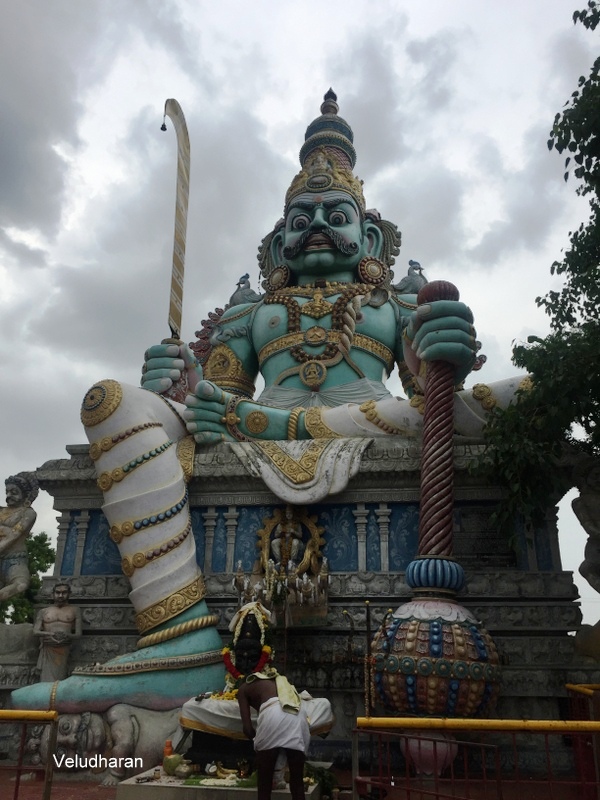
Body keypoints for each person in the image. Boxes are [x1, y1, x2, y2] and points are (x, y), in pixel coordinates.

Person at [0, 472, 38, 602]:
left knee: (21, 584)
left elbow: (15, 534)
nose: (9, 496)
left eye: (14, 492)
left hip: (15, 558)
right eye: (7, 492)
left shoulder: (28, 513)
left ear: (25, 495)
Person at [33, 582, 82, 682]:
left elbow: (78, 634)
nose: (60, 595)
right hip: (48, 648)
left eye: (64, 592)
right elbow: (35, 631)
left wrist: (67, 636)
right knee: (45, 680)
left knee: (61, 679)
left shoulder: (75, 610)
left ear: (69, 594)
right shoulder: (44, 611)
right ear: (53, 594)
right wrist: (50, 634)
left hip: (64, 648)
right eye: (58, 592)